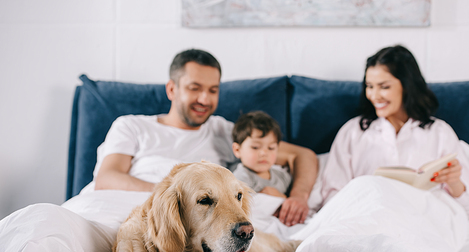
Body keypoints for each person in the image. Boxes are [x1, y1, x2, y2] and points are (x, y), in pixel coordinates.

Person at [93, 49, 318, 226]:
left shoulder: (222, 130)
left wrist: (298, 197)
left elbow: (303, 155)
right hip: (129, 207)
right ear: (172, 89)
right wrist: (174, 197)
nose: (204, 99)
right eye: (195, 88)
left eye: (213, 90)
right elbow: (107, 178)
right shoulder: (132, 125)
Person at [320, 45, 469, 220]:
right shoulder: (353, 132)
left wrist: (454, 182)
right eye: (369, 86)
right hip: (367, 220)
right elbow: (331, 199)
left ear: (407, 85)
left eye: (384, 87)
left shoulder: (439, 132)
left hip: (424, 222)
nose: (374, 95)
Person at [232, 110, 292, 199]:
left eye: (271, 148)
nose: (264, 153)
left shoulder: (283, 177)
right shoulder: (240, 179)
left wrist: (282, 197)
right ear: (237, 150)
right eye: (255, 147)